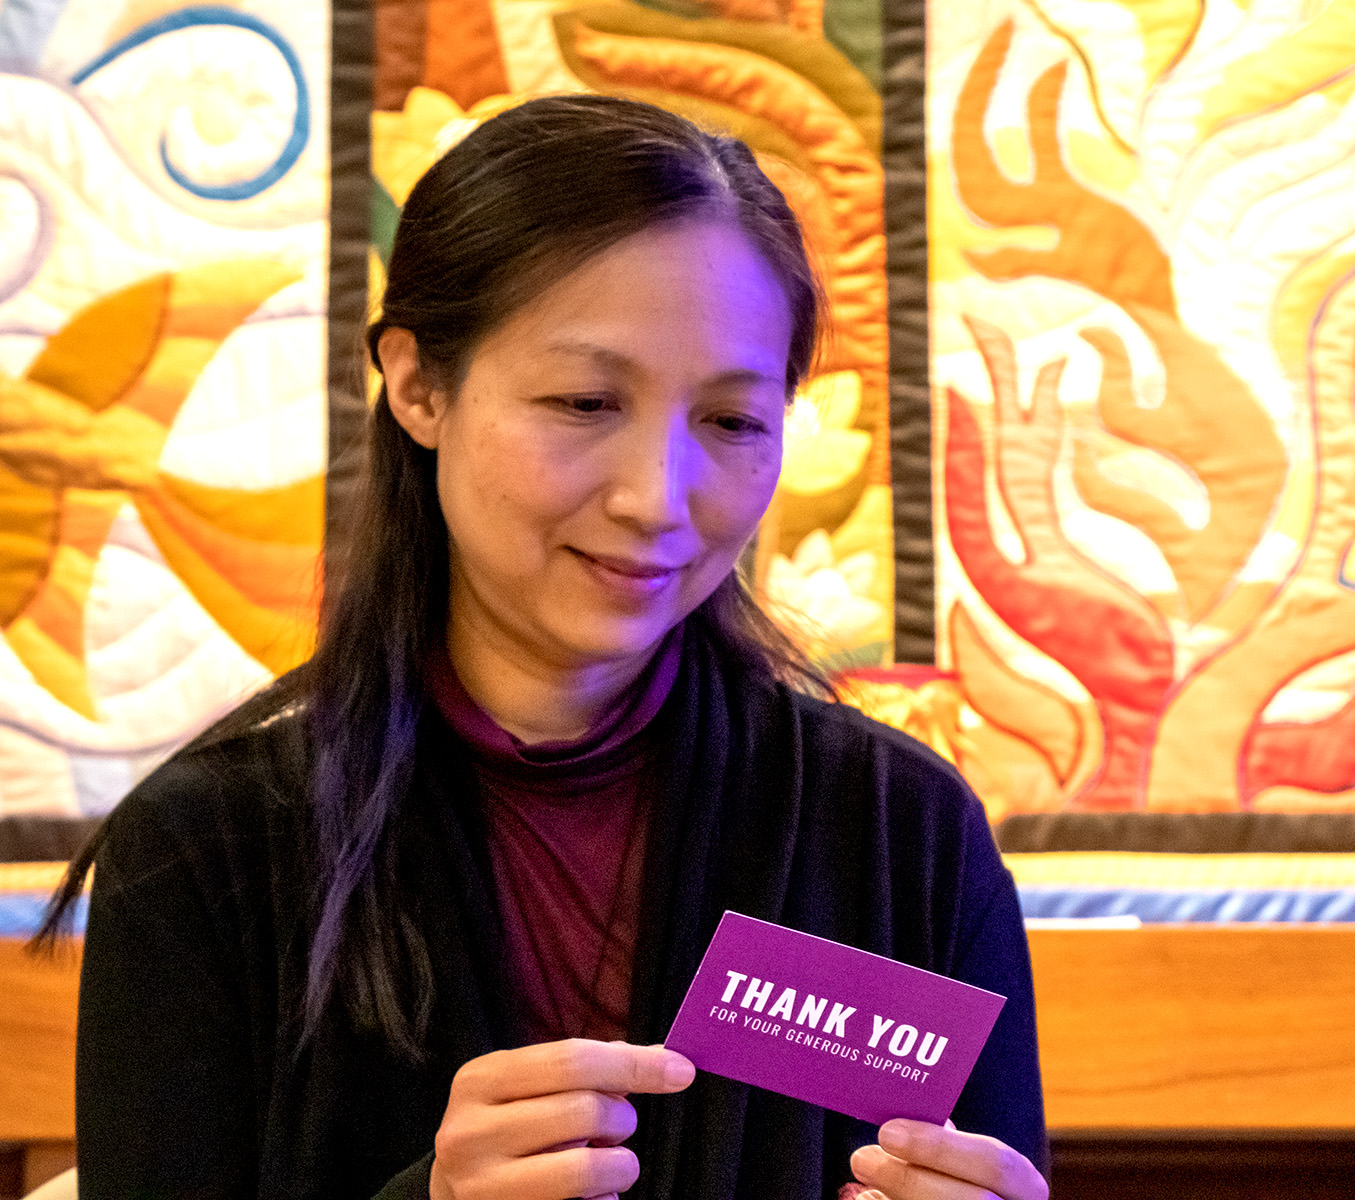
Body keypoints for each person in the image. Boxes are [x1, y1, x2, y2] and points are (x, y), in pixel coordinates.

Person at [38, 94, 1048, 1200]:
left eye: (732, 422)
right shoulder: (213, 849)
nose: (659, 499)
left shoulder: (897, 832)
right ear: (420, 385)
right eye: (584, 401)